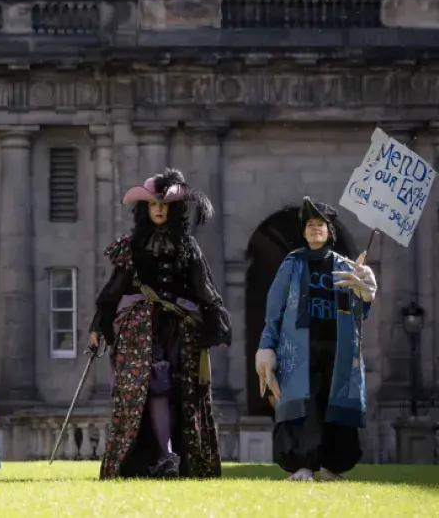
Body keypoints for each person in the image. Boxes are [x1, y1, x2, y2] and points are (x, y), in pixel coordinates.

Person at [88, 168, 231, 479]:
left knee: (183, 391)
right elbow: (113, 290)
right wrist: (99, 326)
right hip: (140, 331)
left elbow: (203, 286)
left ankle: (175, 458)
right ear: (145, 209)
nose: (158, 210)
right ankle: (164, 456)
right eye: (153, 205)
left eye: (163, 206)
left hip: (179, 329)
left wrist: (216, 322)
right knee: (153, 388)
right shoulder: (131, 246)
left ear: (172, 209)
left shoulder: (188, 246)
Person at [255, 197, 377, 482]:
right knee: (303, 406)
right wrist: (266, 345)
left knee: (332, 405)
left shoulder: (347, 267)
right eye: (309, 225)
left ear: (329, 231)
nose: (314, 229)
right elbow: (274, 309)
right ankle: (303, 466)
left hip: (338, 348)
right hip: (299, 349)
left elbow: (360, 312)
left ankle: (330, 466)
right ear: (304, 231)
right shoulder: (291, 264)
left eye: (319, 225)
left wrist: (366, 292)